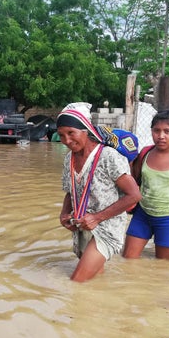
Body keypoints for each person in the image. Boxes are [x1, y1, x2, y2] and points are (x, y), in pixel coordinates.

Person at [57, 103, 141, 282]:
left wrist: (97, 217)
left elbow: (134, 195)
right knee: (93, 281)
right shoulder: (69, 159)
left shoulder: (108, 157)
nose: (66, 140)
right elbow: (70, 191)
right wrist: (64, 213)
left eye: (71, 133)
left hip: (106, 228)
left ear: (86, 129)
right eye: (61, 135)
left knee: (77, 282)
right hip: (83, 224)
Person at [122, 110, 169, 259]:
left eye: (167, 131)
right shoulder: (145, 153)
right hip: (142, 214)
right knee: (128, 259)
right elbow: (132, 180)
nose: (161, 136)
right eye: (156, 130)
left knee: (163, 266)